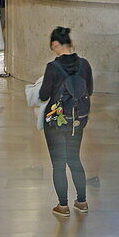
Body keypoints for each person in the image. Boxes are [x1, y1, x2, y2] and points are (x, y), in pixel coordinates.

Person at [37, 27, 93, 216]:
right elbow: (89, 91)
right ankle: (82, 202)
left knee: (59, 164)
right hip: (77, 120)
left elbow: (43, 95)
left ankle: (63, 206)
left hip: (55, 122)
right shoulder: (84, 65)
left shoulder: (53, 67)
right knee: (75, 159)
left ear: (55, 45)